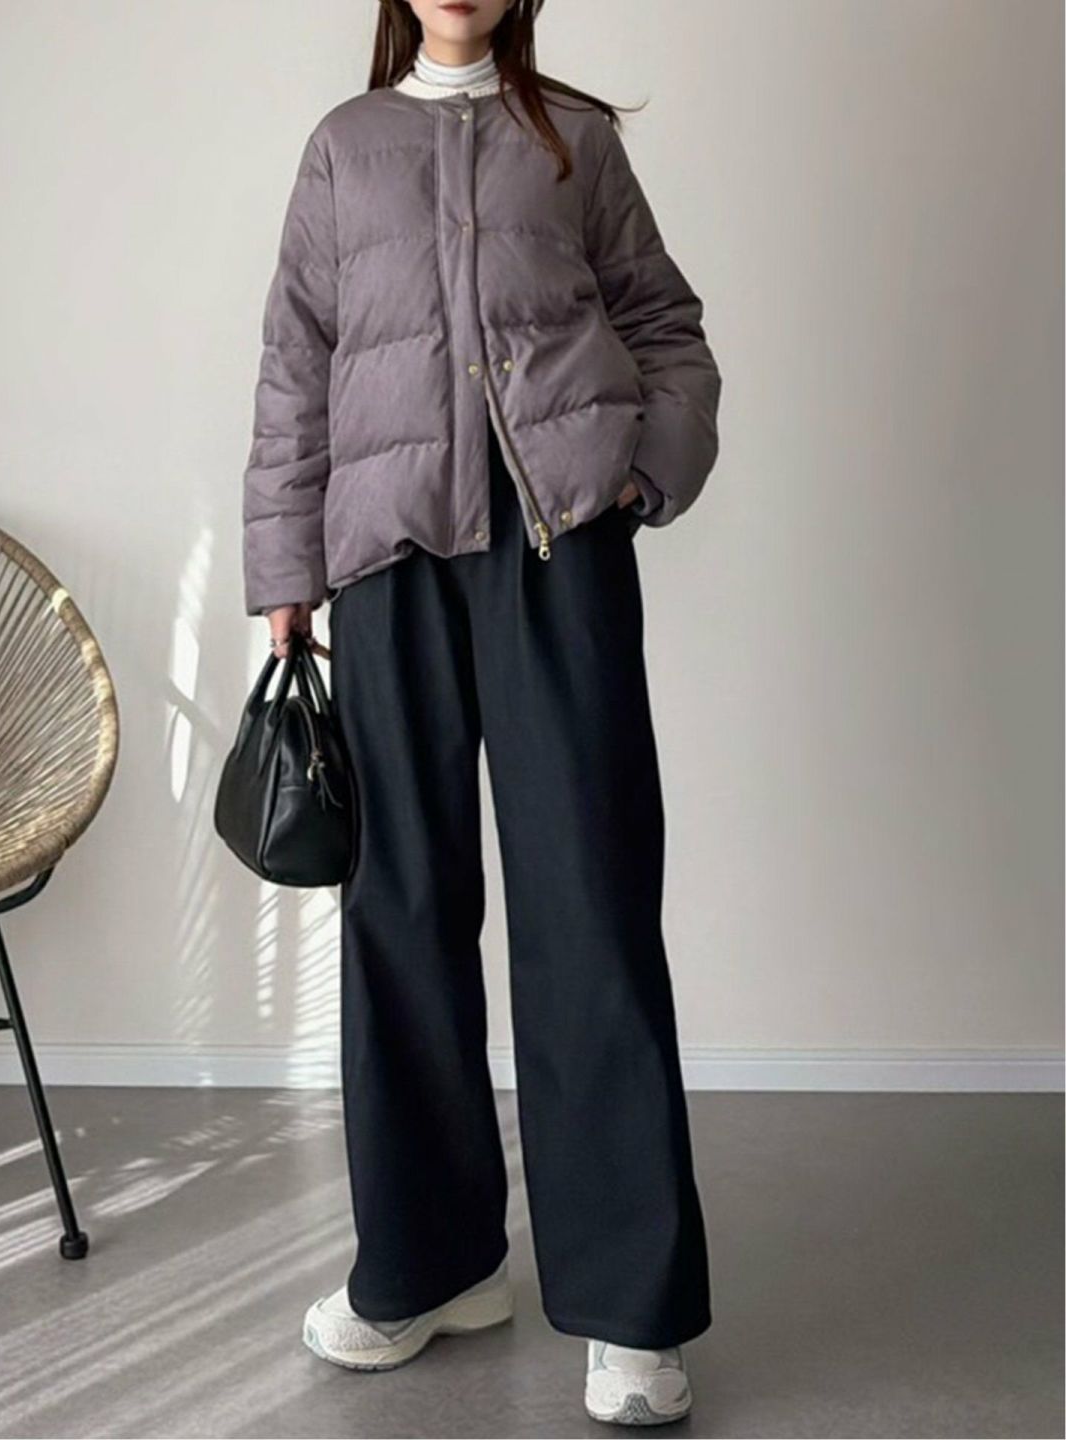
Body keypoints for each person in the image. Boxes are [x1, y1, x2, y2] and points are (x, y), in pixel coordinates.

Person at [241, 0, 721, 1425]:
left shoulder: (575, 139)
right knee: (399, 907)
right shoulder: (345, 146)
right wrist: (284, 571)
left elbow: (666, 326)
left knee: (590, 904)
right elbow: (296, 364)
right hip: (386, 561)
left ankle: (630, 1310)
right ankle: (429, 1266)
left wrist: (642, 469)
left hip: (558, 551)